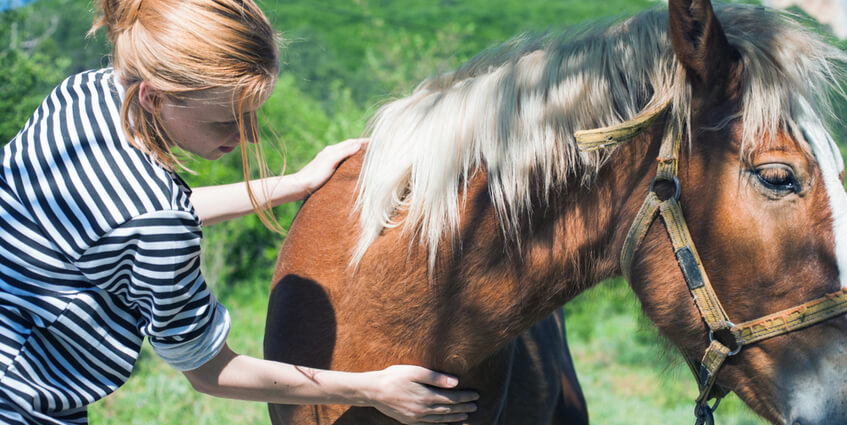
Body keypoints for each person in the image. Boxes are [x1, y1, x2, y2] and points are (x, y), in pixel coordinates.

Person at [0, 0, 479, 424]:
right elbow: (212, 372)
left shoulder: (83, 97)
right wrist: (372, 389)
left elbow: (125, 220)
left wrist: (293, 185)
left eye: (253, 114)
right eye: (226, 120)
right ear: (154, 96)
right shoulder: (156, 223)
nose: (247, 135)